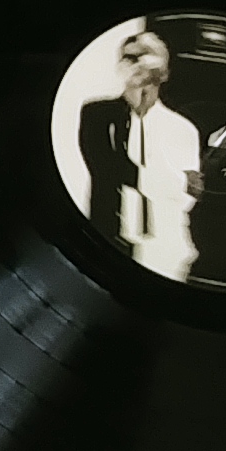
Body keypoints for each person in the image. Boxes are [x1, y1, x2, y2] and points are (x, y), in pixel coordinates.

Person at [77, 29, 203, 280]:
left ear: (164, 72)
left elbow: (189, 197)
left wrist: (181, 187)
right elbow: (106, 168)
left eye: (144, 55)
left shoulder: (182, 129)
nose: (135, 63)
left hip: (165, 249)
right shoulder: (97, 114)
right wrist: (177, 181)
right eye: (128, 57)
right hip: (107, 241)